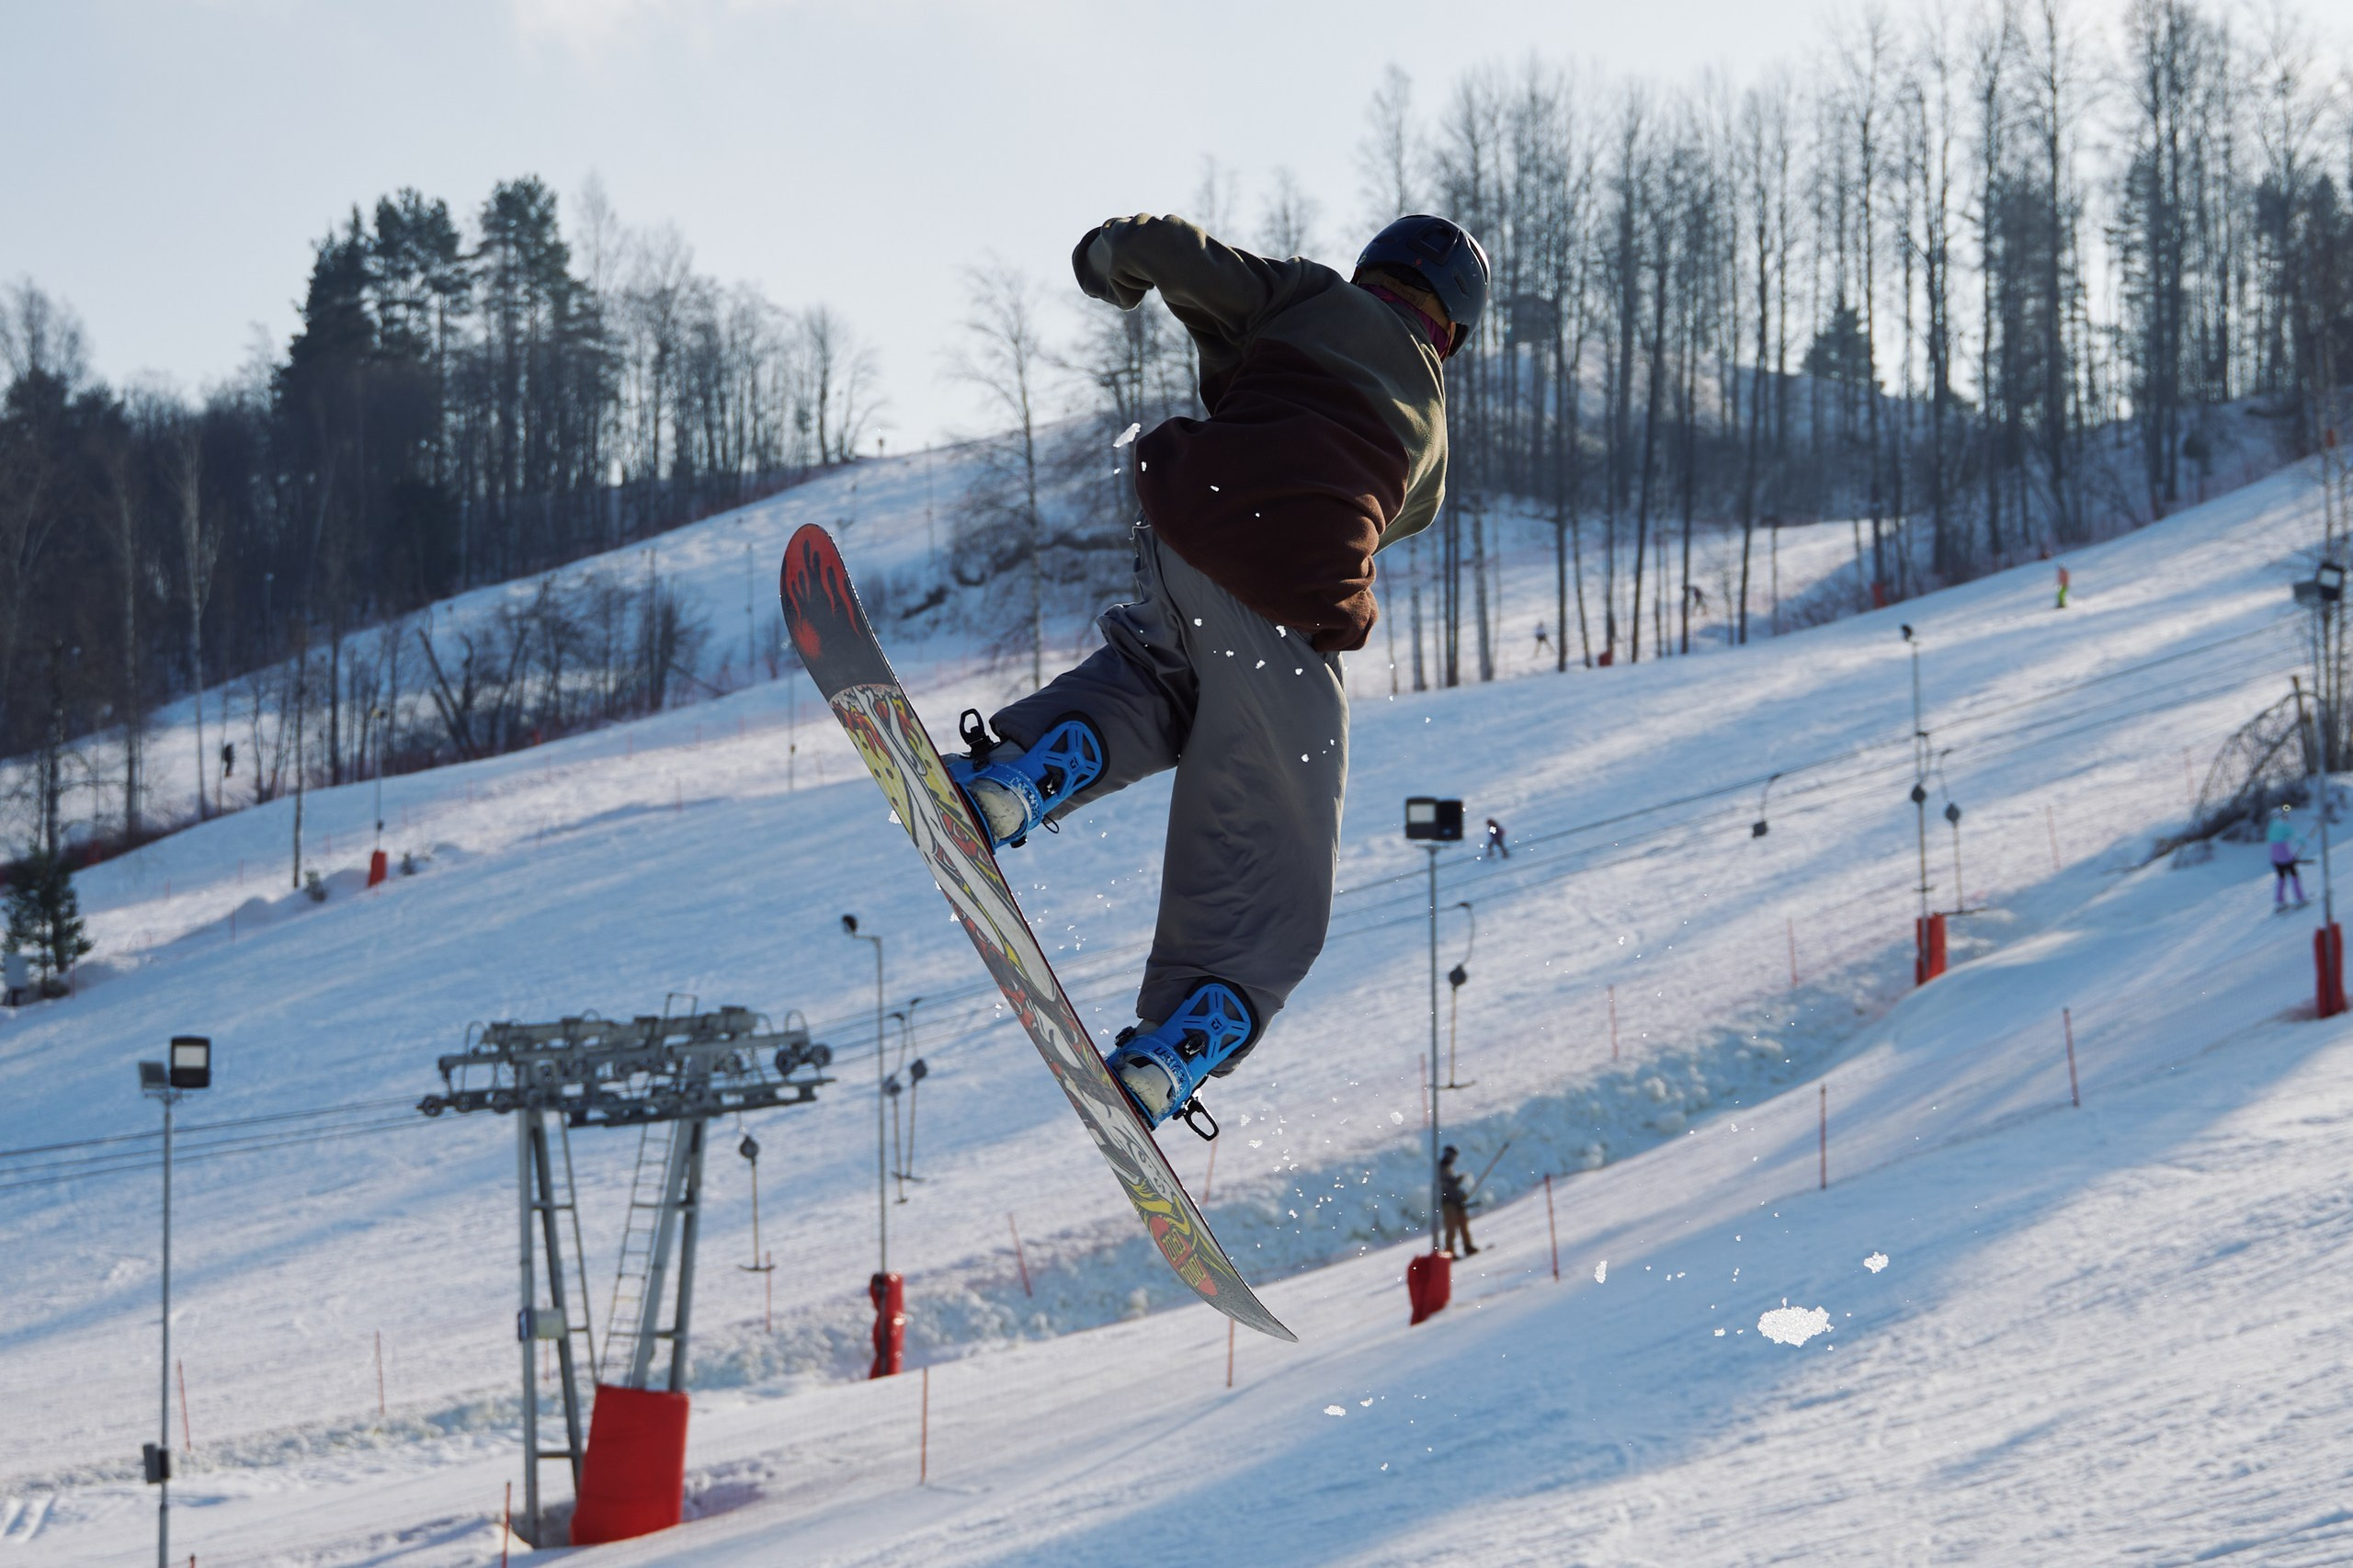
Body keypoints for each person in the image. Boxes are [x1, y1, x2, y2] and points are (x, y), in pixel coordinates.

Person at [947, 211, 1486, 1128]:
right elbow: (1356, 505)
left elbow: (1173, 252)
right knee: (1282, 817)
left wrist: (1106, 262)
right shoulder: (1432, 448)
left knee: (1171, 679)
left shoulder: (1307, 296)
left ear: (1370, 270)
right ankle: (1181, 1038)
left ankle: (1022, 775)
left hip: (1190, 516)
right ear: (1455, 335)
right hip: (1290, 584)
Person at [1439, 1144, 1478, 1256]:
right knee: (1451, 1228)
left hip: (1457, 1202)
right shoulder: (1441, 1168)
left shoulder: (1449, 1168)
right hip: (1448, 1203)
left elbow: (1454, 1186)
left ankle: (1468, 1246)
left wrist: (1461, 1195)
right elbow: (1448, 1184)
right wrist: (1458, 1179)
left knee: (1463, 1224)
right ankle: (1449, 1252)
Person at [2268, 805, 2307, 908]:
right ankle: (2300, 899)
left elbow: (2277, 844)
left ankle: (2279, 902)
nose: (2286, 817)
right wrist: (2303, 841)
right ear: (2280, 816)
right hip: (2286, 859)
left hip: (2276, 860)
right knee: (2294, 876)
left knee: (2281, 878)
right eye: (2284, 815)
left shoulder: (2271, 826)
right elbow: (2295, 835)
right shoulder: (2283, 825)